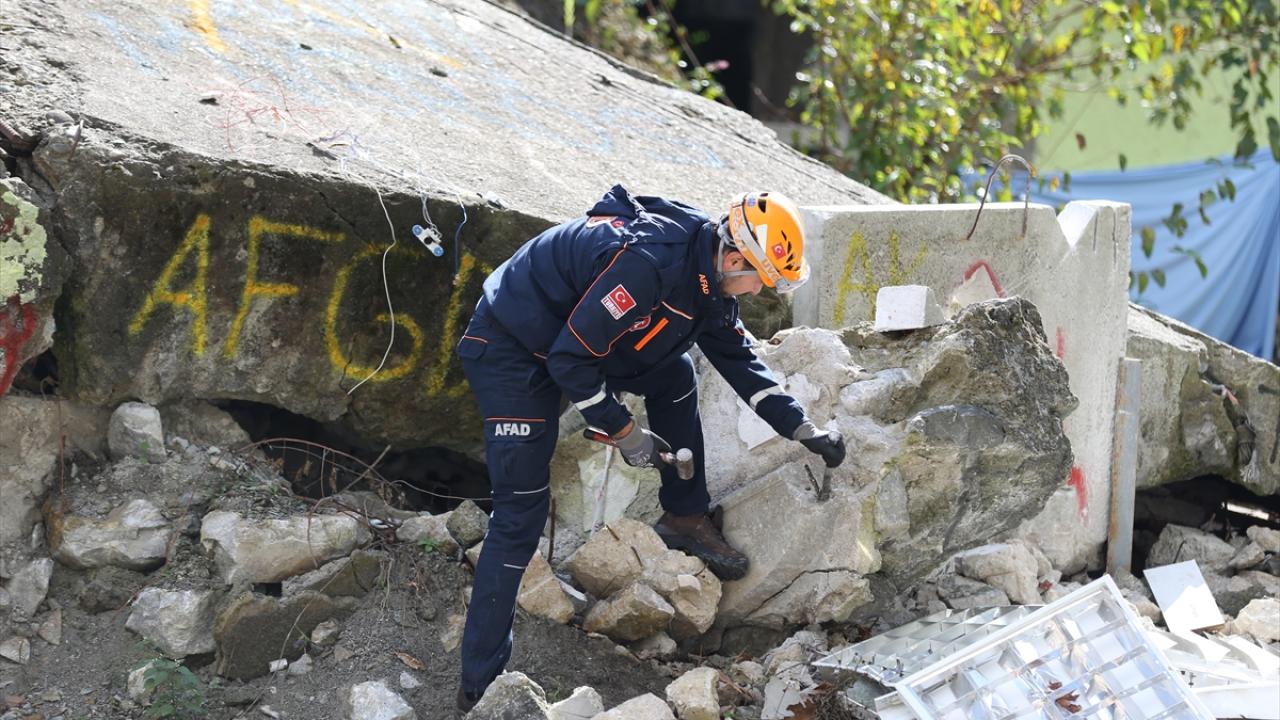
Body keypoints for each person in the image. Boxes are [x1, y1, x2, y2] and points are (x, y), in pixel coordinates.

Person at [453, 185, 846, 711]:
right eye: (759, 279)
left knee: (675, 373)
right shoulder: (649, 266)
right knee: (519, 513)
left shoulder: (709, 281)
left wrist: (801, 427)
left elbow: (739, 360)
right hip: (512, 341)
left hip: (571, 336)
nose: (756, 293)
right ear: (734, 257)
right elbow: (569, 362)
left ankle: (684, 517)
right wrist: (623, 432)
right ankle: (480, 688)